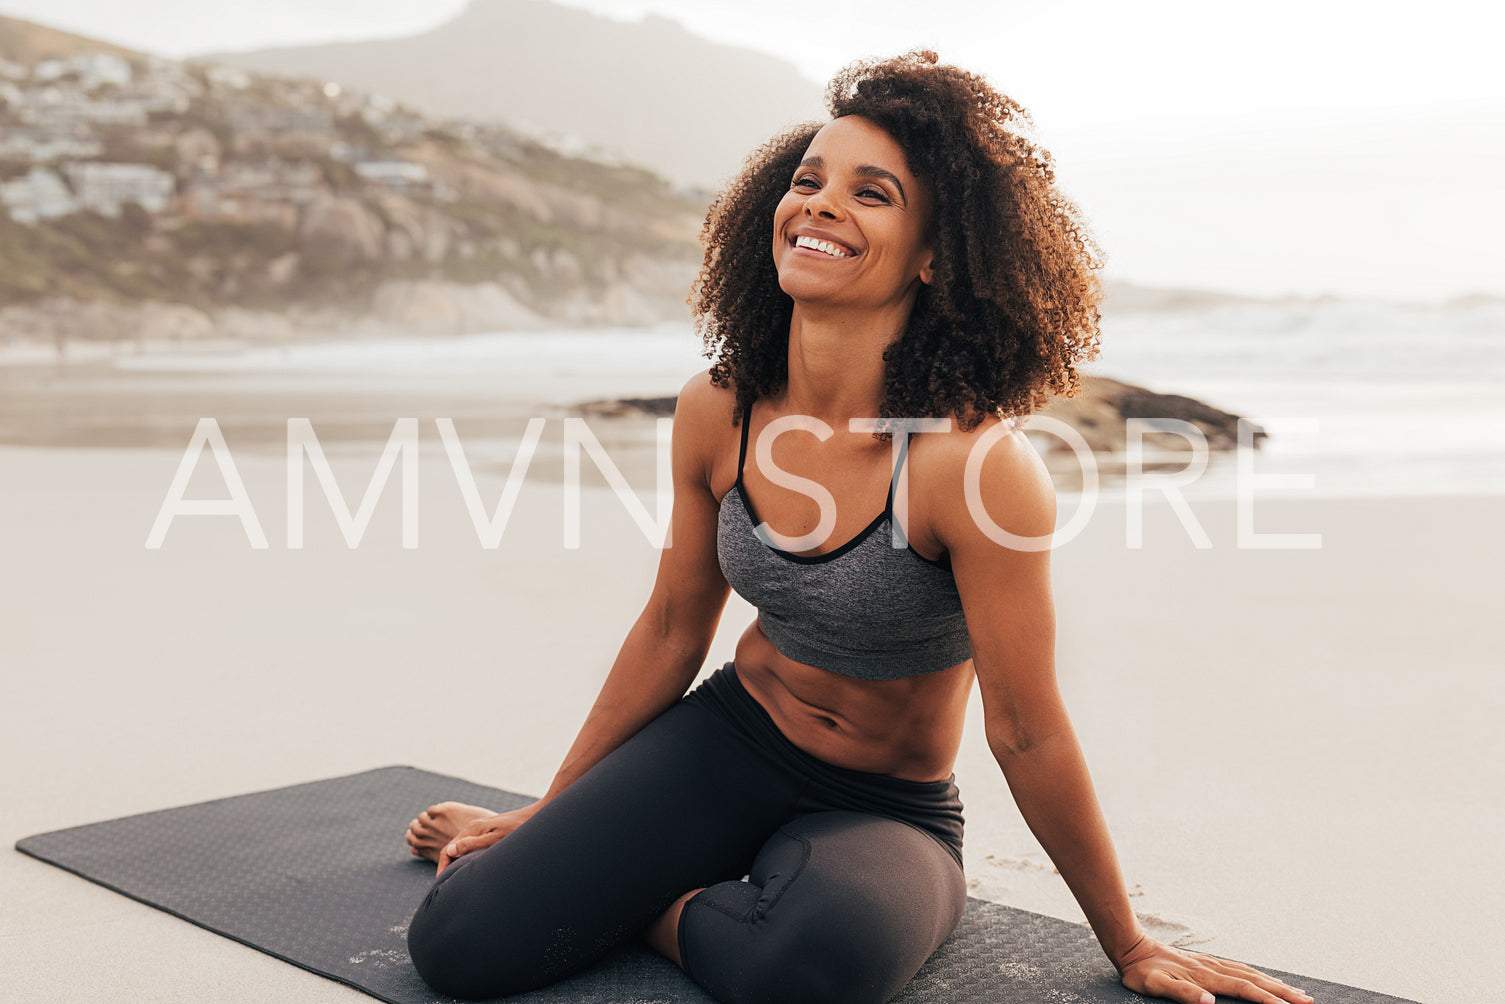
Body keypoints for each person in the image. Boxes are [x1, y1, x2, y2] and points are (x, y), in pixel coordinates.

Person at [402, 51, 1313, 1004]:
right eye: (808, 182)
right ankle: (623, 869)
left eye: (870, 194)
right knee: (460, 943)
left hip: (884, 808)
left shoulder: (971, 467)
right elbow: (674, 627)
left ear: (933, 255)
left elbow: (1026, 731)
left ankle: (647, 897)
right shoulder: (720, 410)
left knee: (811, 968)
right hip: (727, 740)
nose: (821, 204)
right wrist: (554, 812)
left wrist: (1128, 945)